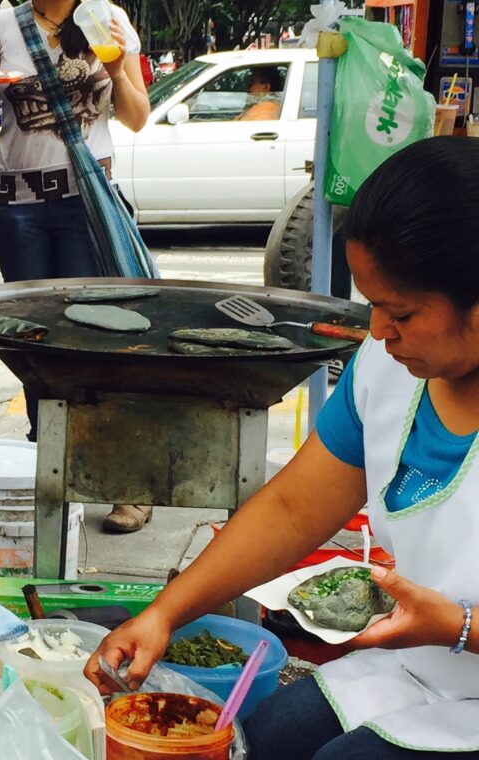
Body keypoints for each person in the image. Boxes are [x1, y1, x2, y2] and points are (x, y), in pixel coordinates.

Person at [85, 137, 479, 758]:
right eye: (372, 306)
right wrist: (164, 613)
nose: (377, 331)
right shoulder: (386, 369)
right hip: (419, 666)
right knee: (259, 738)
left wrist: (461, 629)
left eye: (399, 311)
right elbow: (294, 508)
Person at [0, 0, 153, 534]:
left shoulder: (108, 20)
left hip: (83, 204)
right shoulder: (0, 26)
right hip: (17, 207)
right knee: (32, 342)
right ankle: (49, 471)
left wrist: (115, 67)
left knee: (95, 338)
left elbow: (137, 116)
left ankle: (124, 483)